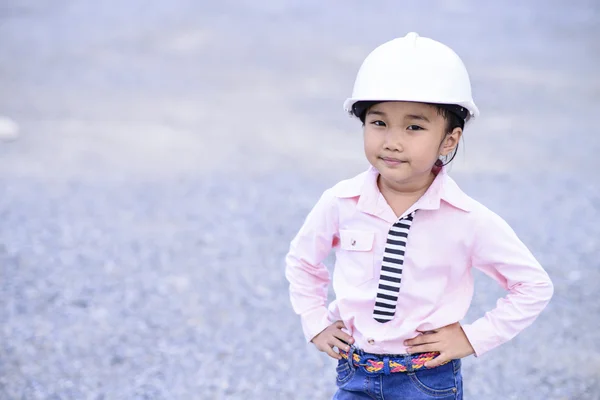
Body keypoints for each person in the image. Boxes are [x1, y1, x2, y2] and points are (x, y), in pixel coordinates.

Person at [285, 32, 553, 399]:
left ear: (449, 140)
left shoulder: (467, 219)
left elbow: (533, 286)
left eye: (414, 127)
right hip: (355, 371)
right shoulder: (340, 202)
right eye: (379, 123)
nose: (392, 140)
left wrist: (473, 337)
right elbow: (302, 261)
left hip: (427, 380)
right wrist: (315, 322)